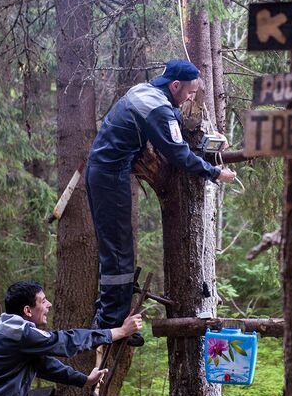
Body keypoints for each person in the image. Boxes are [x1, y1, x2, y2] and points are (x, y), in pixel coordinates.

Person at [86, 60, 236, 345]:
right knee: (119, 251)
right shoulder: (158, 109)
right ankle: (109, 324)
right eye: (190, 92)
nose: (191, 98)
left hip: (106, 171)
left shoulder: (146, 91)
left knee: (117, 247)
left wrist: (209, 138)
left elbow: (172, 129)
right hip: (109, 176)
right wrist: (215, 172)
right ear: (175, 85)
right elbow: (178, 154)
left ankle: (111, 316)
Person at [0, 280, 142, 396]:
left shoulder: (10, 329)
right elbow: (66, 341)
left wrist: (84, 380)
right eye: (43, 301)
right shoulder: (20, 331)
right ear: (27, 310)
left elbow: (44, 365)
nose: (48, 304)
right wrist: (119, 332)